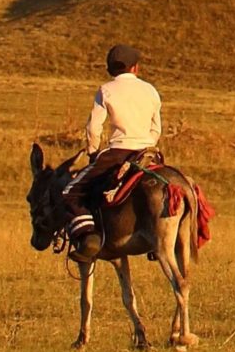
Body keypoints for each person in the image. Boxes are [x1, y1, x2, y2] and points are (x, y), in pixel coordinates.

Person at [60, 42, 162, 249]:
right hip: (149, 153)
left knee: (70, 192)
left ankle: (88, 237)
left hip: (117, 153)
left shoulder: (106, 90)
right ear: (135, 68)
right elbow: (156, 128)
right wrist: (147, 144)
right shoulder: (150, 90)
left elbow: (93, 128)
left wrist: (94, 152)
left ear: (111, 69)